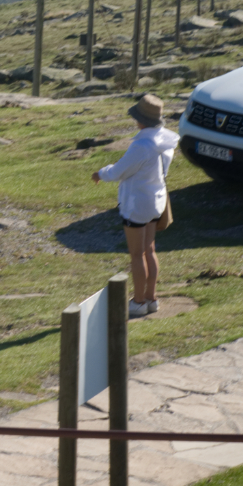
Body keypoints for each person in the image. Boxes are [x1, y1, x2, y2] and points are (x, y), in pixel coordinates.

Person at [92, 94, 178, 318]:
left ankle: (138, 302)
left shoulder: (142, 145)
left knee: (136, 254)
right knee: (150, 250)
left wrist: (100, 173)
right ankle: (151, 298)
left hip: (137, 204)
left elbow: (120, 170)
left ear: (141, 120)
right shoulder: (165, 141)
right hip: (155, 201)